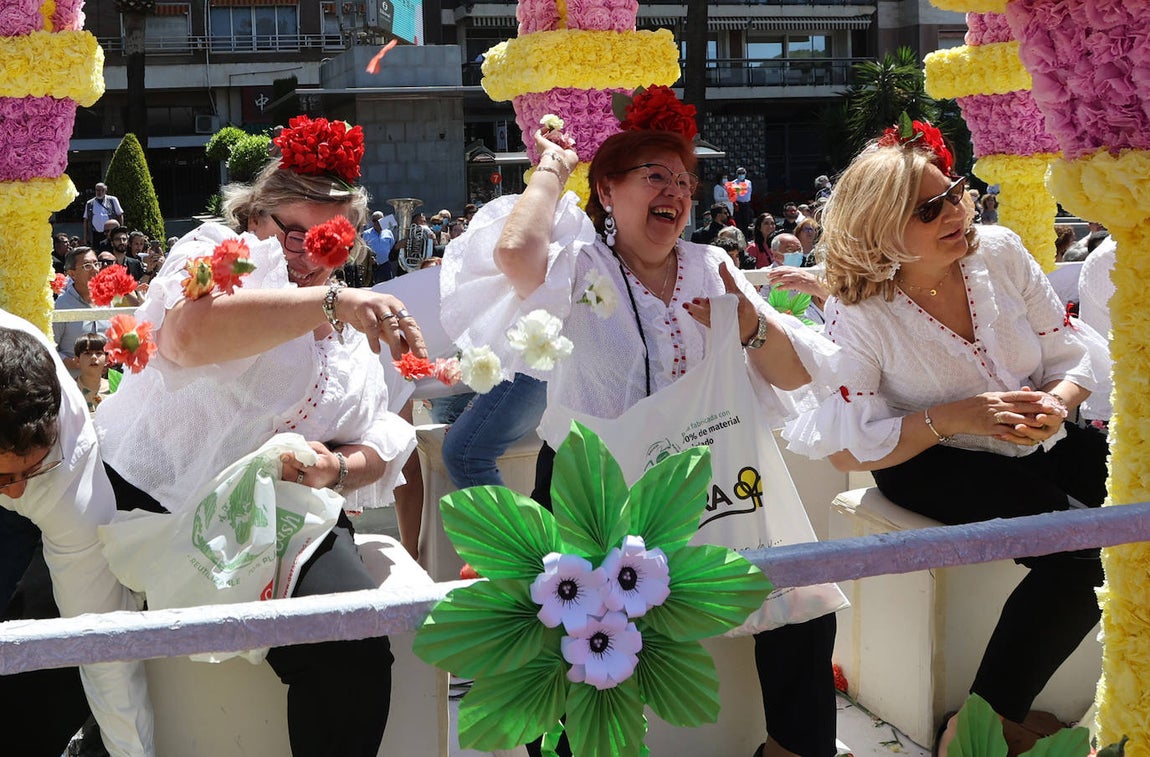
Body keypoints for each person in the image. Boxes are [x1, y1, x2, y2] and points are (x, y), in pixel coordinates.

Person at [442, 93, 843, 757]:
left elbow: (793, 374)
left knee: (801, 602)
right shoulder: (578, 267)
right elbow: (515, 254)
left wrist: (745, 323)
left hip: (703, 485)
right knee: (574, 637)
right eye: (656, 175)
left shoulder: (713, 266)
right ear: (607, 188)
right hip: (587, 491)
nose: (677, 192)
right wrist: (553, 167)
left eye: (685, 181)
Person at [94, 115, 426, 757]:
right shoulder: (216, 251)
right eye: (290, 231)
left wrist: (338, 470)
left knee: (352, 644)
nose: (304, 253)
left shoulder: (351, 321)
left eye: (325, 239)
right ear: (256, 215)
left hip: (292, 518)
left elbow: (383, 430)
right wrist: (331, 303)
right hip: (163, 495)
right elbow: (188, 337)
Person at [785, 123, 1110, 757]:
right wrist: (958, 417)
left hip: (1037, 434)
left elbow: (1070, 355)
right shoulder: (859, 313)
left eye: (957, 192)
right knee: (1080, 553)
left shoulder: (1001, 249)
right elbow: (850, 450)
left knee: (1139, 509)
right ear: (881, 228)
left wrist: (1057, 404)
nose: (959, 211)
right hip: (926, 458)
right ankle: (981, 727)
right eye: (931, 208)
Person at [0, 312, 154, 756]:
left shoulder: (69, 474)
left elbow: (100, 642)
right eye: (3, 476)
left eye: (31, 469)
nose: (16, 490)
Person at [53, 247, 111, 377]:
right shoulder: (61, 306)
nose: (95, 270)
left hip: (105, 380)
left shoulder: (107, 301)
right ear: (72, 274)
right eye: (87, 266)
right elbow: (50, 347)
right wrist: (71, 362)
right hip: (73, 381)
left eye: (96, 264)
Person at [74, 332, 112, 414]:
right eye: (87, 353)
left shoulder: (115, 388)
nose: (94, 357)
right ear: (77, 360)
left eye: (99, 353)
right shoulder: (70, 390)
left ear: (107, 359)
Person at [82, 182, 124, 248]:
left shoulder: (113, 200)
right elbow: (86, 220)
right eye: (98, 190)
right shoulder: (89, 203)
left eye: (102, 190)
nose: (100, 192)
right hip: (96, 234)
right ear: (95, 190)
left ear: (105, 190)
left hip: (111, 233)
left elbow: (120, 215)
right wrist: (85, 237)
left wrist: (121, 231)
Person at [364, 210, 396, 284]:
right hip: (370, 266)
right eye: (375, 220)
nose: (377, 222)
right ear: (372, 221)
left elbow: (392, 247)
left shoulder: (389, 232)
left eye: (380, 220)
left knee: (387, 286)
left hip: (385, 265)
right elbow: (364, 250)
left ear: (384, 220)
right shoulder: (366, 234)